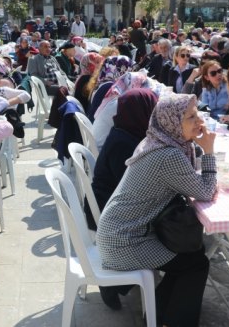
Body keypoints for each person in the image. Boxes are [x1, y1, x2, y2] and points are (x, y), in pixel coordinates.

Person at [96, 94, 217, 323]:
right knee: (195, 263)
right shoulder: (169, 155)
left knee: (191, 256)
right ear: (172, 122)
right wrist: (209, 152)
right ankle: (167, 319)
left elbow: (191, 181)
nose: (199, 119)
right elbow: (206, 192)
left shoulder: (157, 141)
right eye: (191, 116)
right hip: (125, 241)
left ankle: (158, 313)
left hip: (117, 231)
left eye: (197, 112)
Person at [88, 87, 158, 232]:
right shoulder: (123, 144)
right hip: (109, 218)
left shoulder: (126, 132)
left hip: (111, 206)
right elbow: (136, 188)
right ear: (142, 111)